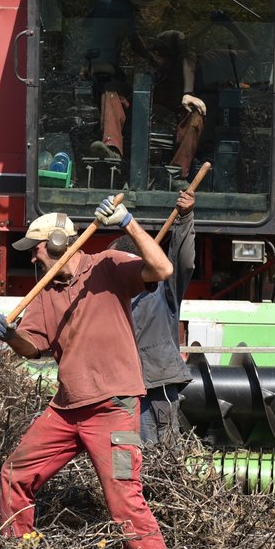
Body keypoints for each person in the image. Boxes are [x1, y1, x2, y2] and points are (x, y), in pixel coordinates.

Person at [0, 197, 180, 549]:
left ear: (59, 243)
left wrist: (128, 223)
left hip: (113, 407)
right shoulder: (44, 291)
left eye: (37, 250)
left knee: (124, 501)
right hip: (66, 410)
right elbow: (33, 347)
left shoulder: (108, 265)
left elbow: (162, 269)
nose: (35, 259)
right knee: (14, 475)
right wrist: (9, 335)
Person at [92, 0, 206, 179]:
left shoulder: (176, 32)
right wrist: (94, 68)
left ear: (164, 5)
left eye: (153, 7)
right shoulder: (128, 32)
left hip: (168, 95)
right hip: (135, 94)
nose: (148, 12)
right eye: (143, 8)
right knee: (110, 90)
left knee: (196, 114)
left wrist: (188, 93)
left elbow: (189, 57)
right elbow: (109, 60)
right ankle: (113, 153)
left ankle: (178, 172)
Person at [108, 188, 197, 446]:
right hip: (119, 393)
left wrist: (186, 218)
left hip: (156, 387)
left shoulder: (162, 289)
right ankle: (127, 488)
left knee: (160, 457)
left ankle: (156, 487)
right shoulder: (106, 299)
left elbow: (182, 263)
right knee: (123, 457)